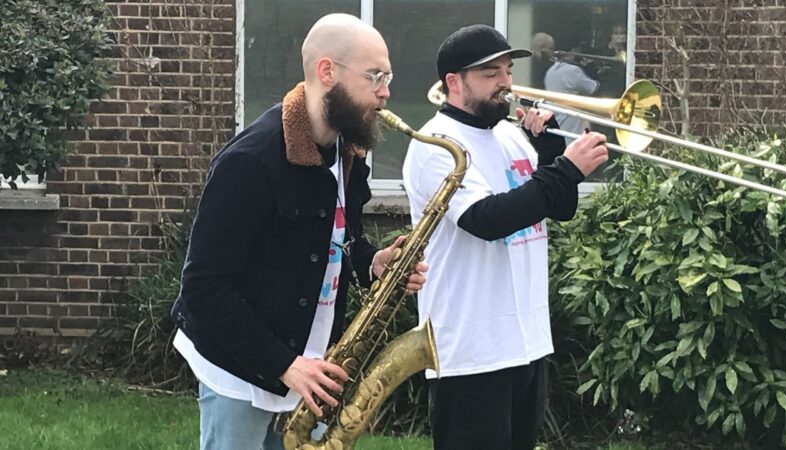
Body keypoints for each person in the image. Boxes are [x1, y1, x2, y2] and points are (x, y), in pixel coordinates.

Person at [170, 13, 428, 450]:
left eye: (388, 76)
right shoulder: (251, 162)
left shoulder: (348, 151)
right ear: (327, 71)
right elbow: (204, 289)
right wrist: (285, 364)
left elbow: (341, 238)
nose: (386, 92)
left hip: (310, 367)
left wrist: (371, 263)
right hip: (242, 372)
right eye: (375, 76)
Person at [402, 24, 609, 450]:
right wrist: (566, 169)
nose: (506, 83)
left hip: (527, 341)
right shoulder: (436, 144)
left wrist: (549, 149)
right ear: (454, 83)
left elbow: (557, 207)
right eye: (490, 73)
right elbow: (486, 220)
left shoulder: (511, 134)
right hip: (472, 348)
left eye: (508, 71)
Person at [544, 41, 601, 142]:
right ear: (573, 50)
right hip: (573, 128)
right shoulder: (573, 70)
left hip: (559, 123)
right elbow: (594, 88)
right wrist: (591, 69)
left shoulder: (550, 71)